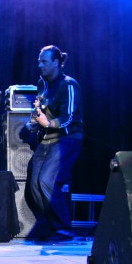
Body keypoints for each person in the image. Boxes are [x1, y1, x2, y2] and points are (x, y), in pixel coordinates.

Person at [24, 45, 83, 242]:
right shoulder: (42, 84)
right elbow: (40, 111)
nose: (40, 65)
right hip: (47, 139)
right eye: (39, 61)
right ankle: (49, 227)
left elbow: (69, 117)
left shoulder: (68, 85)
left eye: (44, 61)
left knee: (47, 180)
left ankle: (63, 228)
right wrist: (34, 121)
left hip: (66, 139)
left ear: (56, 62)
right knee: (34, 183)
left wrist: (49, 124)